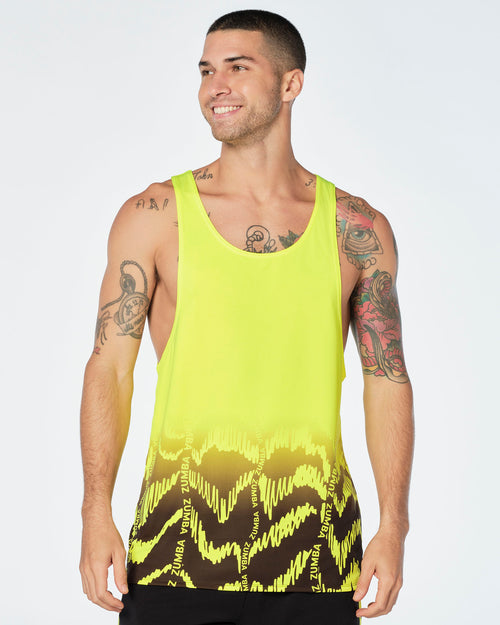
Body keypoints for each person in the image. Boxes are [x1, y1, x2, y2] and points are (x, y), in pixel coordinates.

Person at [79, 9, 414, 625]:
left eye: (237, 67)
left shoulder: (357, 228)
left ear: (291, 84)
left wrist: (394, 527)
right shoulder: (155, 214)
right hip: (174, 552)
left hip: (318, 557)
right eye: (206, 70)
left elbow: (387, 379)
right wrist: (94, 510)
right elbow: (110, 369)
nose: (216, 86)